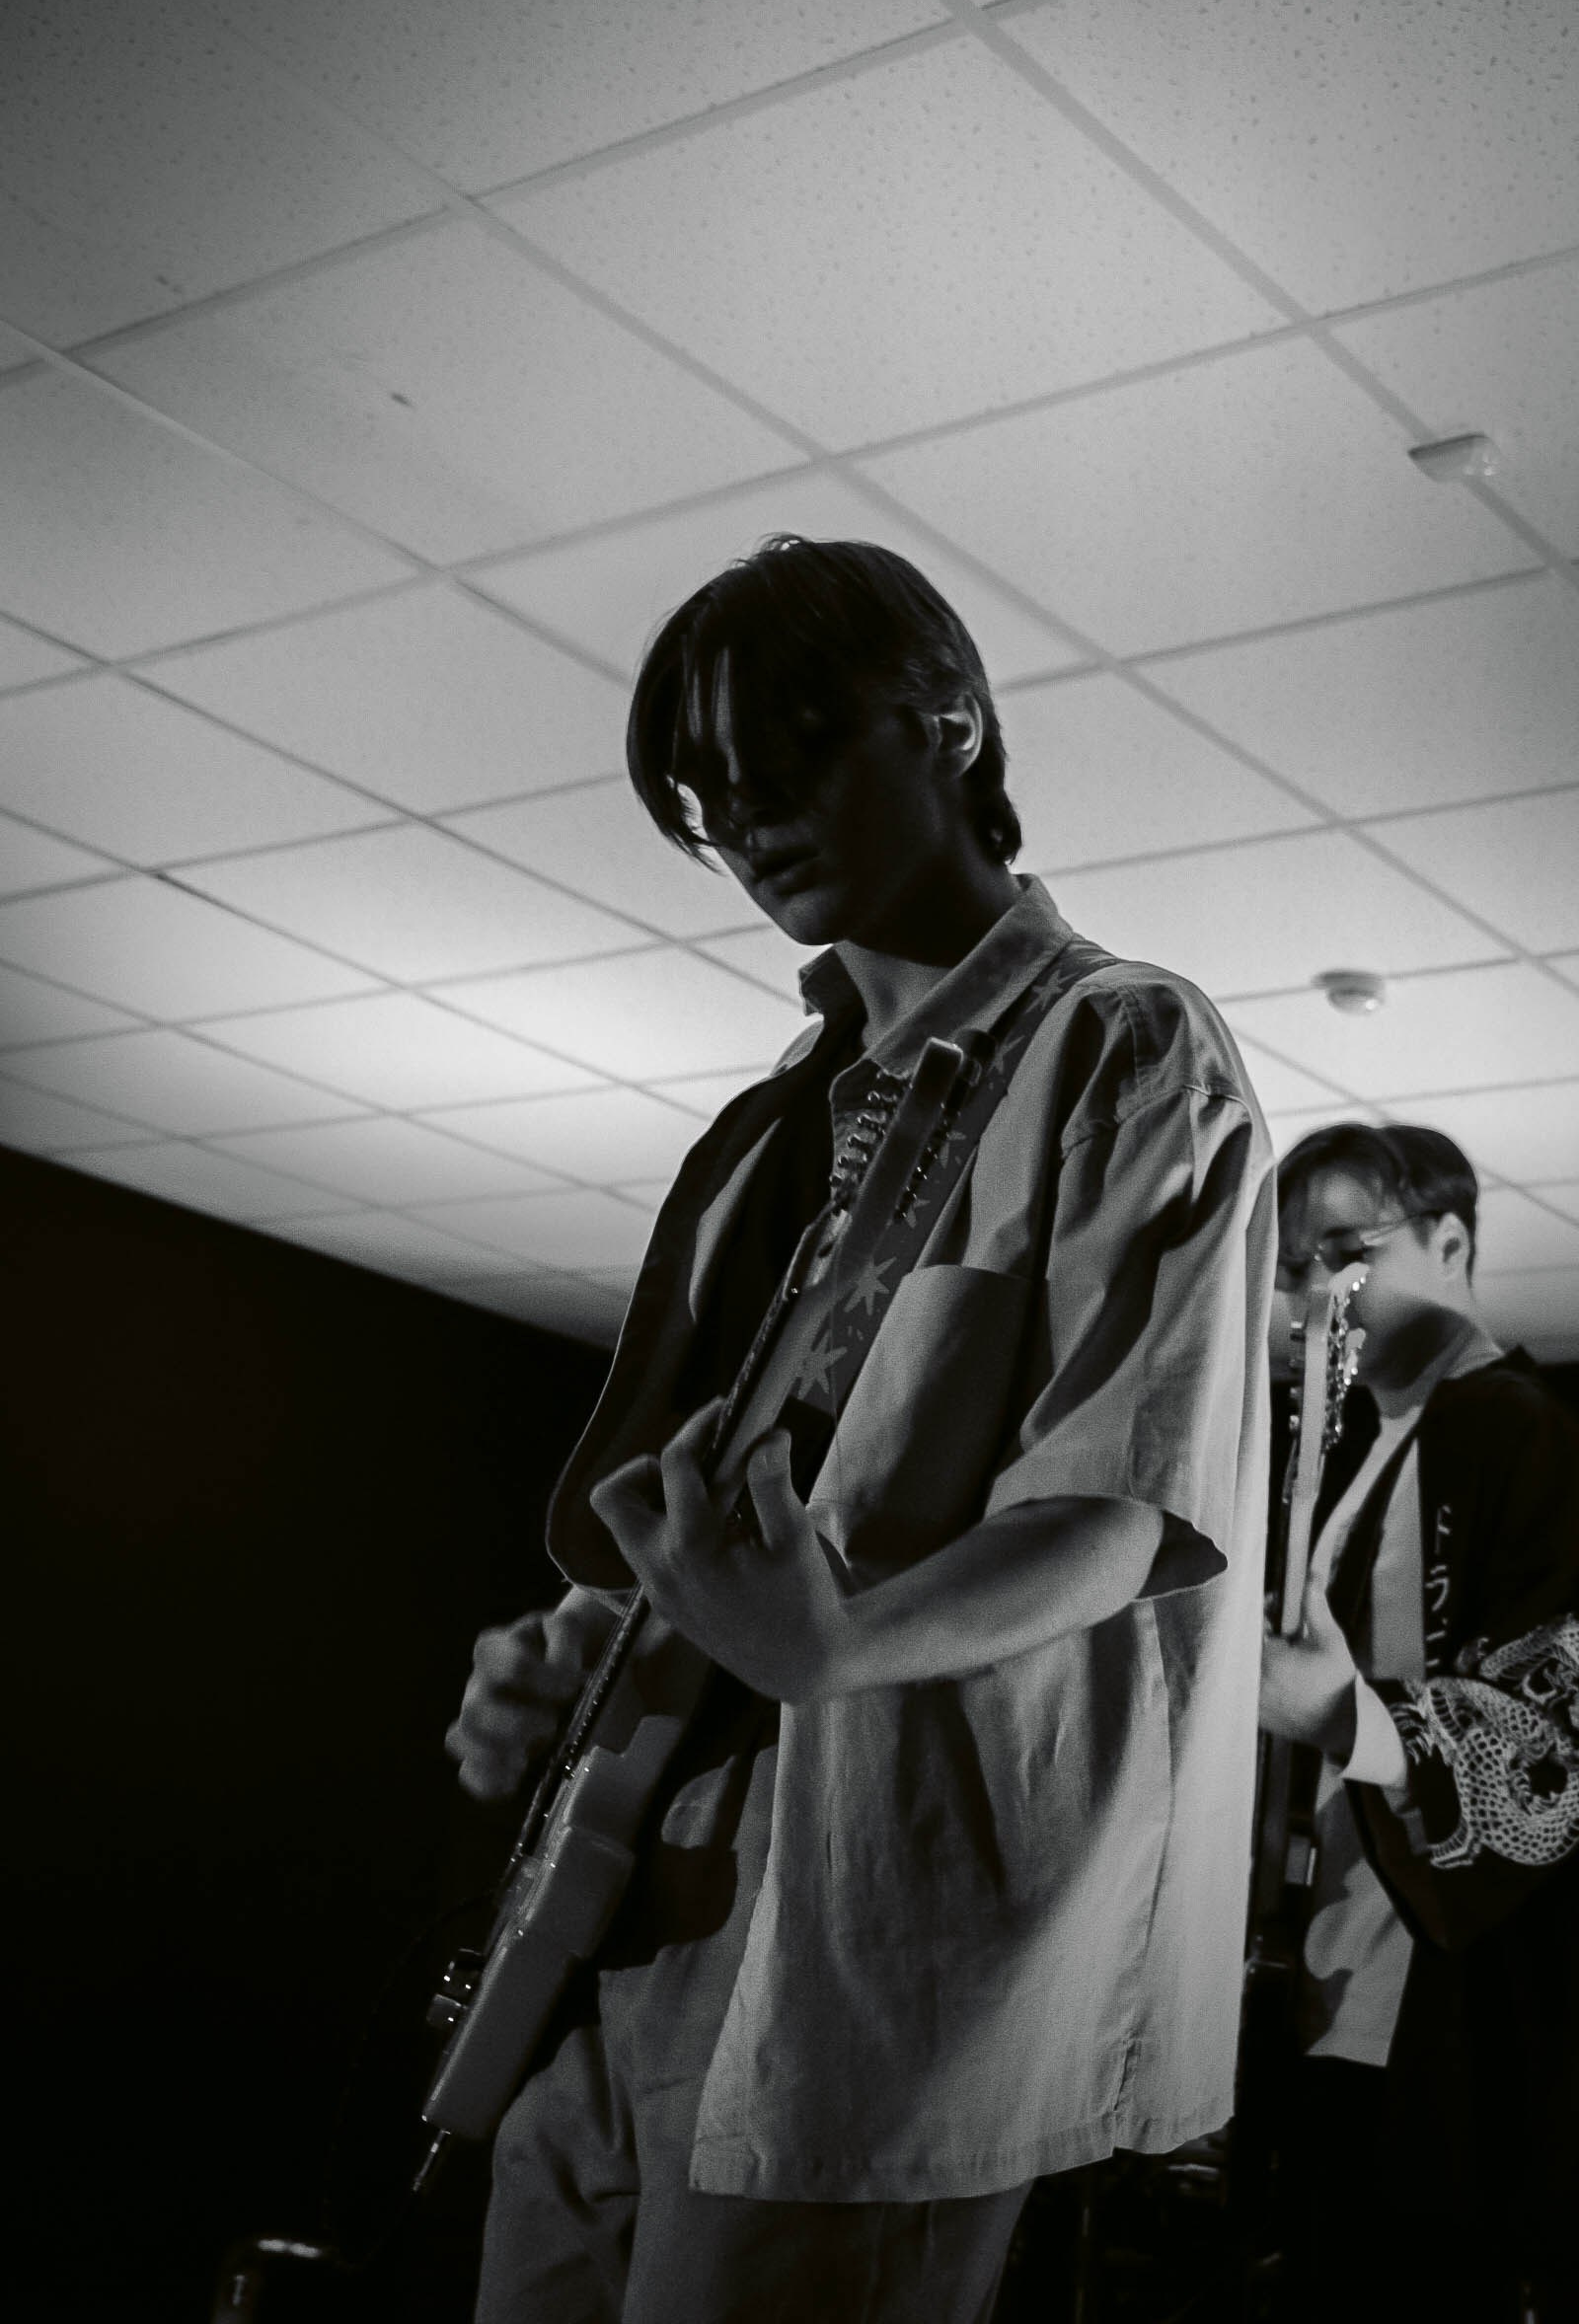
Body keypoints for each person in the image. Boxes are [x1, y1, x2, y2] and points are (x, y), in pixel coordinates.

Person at [446, 535, 1277, 2324]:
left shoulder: (1123, 1042)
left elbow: (1126, 1506)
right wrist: (576, 1647)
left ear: (950, 722)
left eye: (791, 750)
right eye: (701, 792)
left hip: (863, 1933)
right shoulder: (771, 1123)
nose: (742, 820)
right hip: (625, 1896)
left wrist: (838, 1642)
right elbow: (722, 1505)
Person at [1258, 1121, 1579, 2324]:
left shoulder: (1514, 1430)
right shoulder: (1374, 1447)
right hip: (1347, 1985)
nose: (1315, 1291)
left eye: (1348, 1252)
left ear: (1448, 1243)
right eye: (1293, 1265)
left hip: (1447, 2009)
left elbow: (1555, 1736)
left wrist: (1341, 1715)